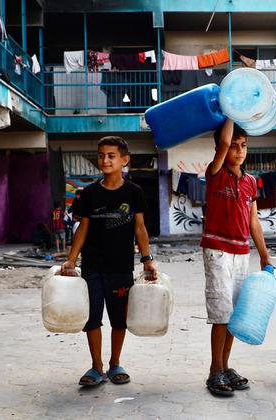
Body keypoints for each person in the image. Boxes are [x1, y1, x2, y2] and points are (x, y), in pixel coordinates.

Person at [62, 136, 157, 388]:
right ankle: (96, 367)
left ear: (124, 160)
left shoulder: (134, 192)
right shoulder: (90, 193)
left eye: (111, 155)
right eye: (101, 155)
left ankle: (115, 363)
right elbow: (83, 227)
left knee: (118, 319)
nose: (105, 160)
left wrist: (147, 260)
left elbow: (140, 228)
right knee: (91, 319)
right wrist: (71, 260)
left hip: (121, 267)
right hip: (93, 266)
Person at [200, 119, 273, 397]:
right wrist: (231, 109)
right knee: (221, 314)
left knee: (233, 315)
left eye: (243, 146)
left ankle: (225, 366)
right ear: (222, 149)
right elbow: (223, 142)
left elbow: (254, 222)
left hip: (242, 252)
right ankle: (214, 371)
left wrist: (264, 256)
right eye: (233, 146)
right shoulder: (215, 172)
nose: (239, 150)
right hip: (217, 250)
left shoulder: (251, 182)